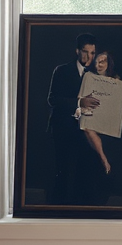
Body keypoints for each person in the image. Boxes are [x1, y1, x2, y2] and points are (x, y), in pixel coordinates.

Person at [47, 33, 100, 203]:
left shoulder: (97, 75)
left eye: (92, 53)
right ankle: (58, 209)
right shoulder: (61, 70)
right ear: (77, 51)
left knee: (85, 173)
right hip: (63, 130)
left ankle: (81, 210)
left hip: (86, 132)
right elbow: (52, 99)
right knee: (63, 171)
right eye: (85, 52)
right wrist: (79, 102)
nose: (89, 57)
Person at [77, 49, 119, 176]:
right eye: (97, 62)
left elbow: (116, 103)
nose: (99, 65)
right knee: (87, 127)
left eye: (102, 62)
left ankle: (103, 159)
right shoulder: (89, 77)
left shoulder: (115, 79)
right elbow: (81, 97)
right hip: (90, 113)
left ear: (108, 64)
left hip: (107, 118)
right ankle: (103, 158)